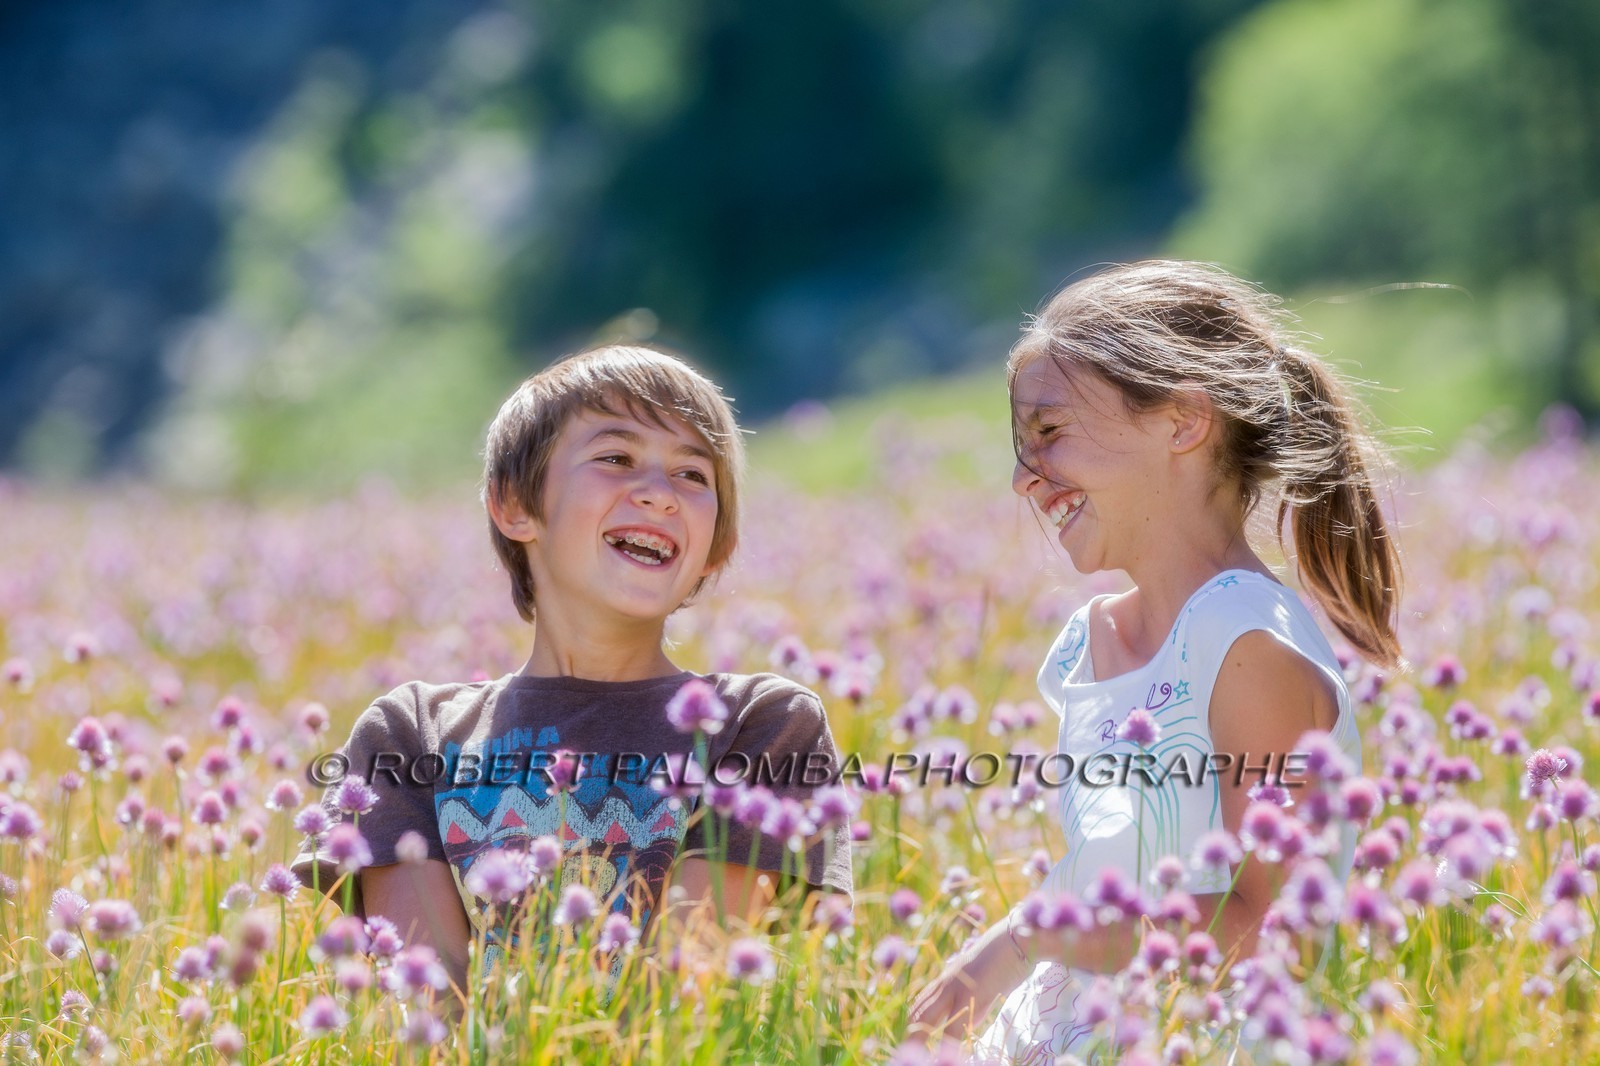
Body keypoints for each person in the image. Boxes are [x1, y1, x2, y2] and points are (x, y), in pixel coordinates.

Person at [908, 260, 1403, 1061]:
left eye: (1049, 432)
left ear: (1181, 421)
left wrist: (1022, 939)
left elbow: (1269, 931)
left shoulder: (1246, 642)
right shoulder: (1093, 641)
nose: (1022, 479)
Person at [291, 344, 852, 1003]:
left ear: (716, 547)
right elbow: (427, 1016)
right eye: (616, 458)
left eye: (693, 475)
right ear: (513, 506)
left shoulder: (762, 724)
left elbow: (683, 1001)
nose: (660, 494)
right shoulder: (410, 734)